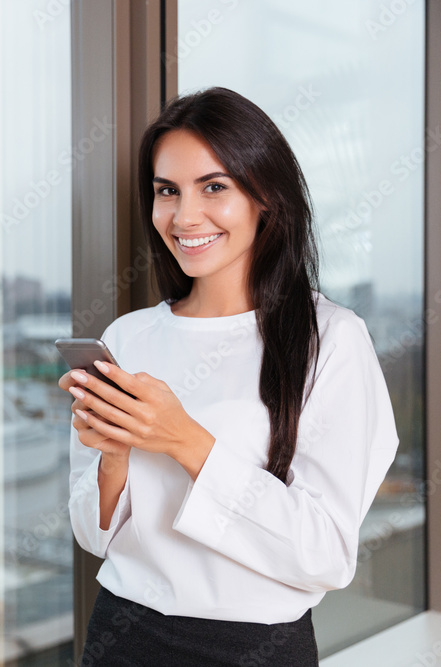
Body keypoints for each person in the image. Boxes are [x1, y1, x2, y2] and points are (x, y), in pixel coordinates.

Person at [60, 87, 399, 666]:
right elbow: (95, 539)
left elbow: (326, 553)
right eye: (167, 191)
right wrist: (116, 451)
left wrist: (184, 441)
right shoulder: (128, 338)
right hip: (122, 633)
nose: (184, 216)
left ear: (265, 196)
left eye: (213, 187)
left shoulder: (333, 340)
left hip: (255, 645)